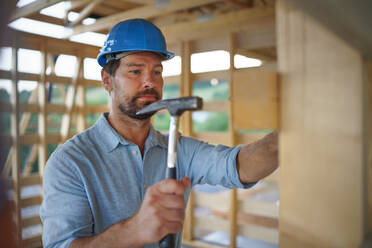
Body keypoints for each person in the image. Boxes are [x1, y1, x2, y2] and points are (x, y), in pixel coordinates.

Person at [40, 18, 278, 248]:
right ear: (107, 81)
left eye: (156, 72)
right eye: (135, 71)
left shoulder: (177, 150)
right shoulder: (70, 162)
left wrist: (287, 139)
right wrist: (133, 231)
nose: (149, 83)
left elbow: (239, 166)